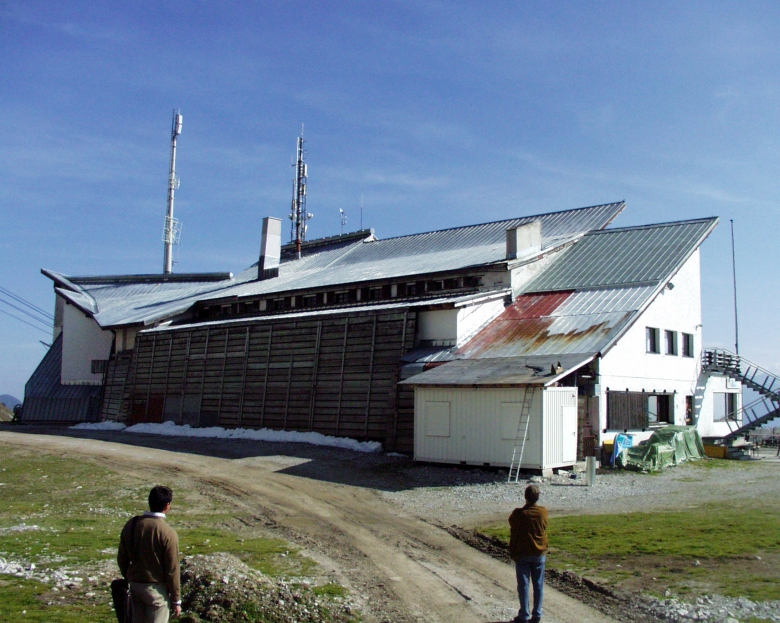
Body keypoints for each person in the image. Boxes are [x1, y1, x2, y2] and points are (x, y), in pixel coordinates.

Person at [118, 485, 181, 622]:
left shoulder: (132, 524)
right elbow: (172, 569)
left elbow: (121, 558)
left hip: (134, 588)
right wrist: (176, 600)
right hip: (156, 591)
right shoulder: (168, 533)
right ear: (167, 505)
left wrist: (130, 576)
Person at [508, 484, 548, 623]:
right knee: (538, 585)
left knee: (523, 585)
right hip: (539, 553)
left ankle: (524, 615)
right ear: (537, 497)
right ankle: (537, 614)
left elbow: (511, 524)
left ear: (525, 497)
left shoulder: (518, 514)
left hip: (522, 553)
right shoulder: (543, 512)